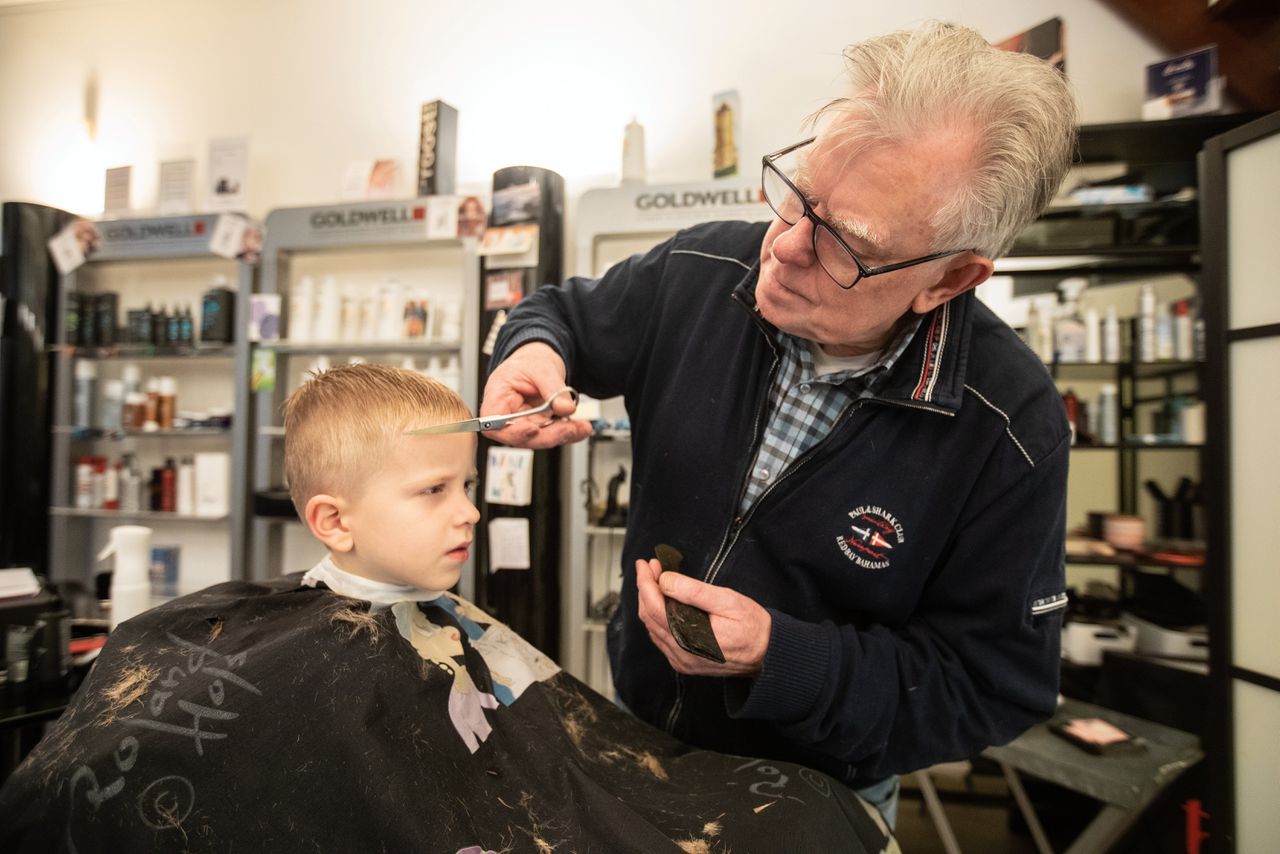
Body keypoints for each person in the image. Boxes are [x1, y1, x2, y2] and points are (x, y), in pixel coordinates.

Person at [481, 21, 1077, 826]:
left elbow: (991, 685)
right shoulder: (701, 268)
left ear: (951, 277)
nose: (786, 247)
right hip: (640, 728)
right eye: (799, 195)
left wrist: (782, 658)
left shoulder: (1009, 425)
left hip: (818, 794)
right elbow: (564, 315)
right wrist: (535, 355)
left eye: (847, 244)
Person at [0, 364, 897, 853]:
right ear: (333, 521)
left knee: (810, 811)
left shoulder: (432, 620)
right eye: (432, 490)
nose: (469, 510)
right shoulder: (298, 668)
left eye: (465, 485)